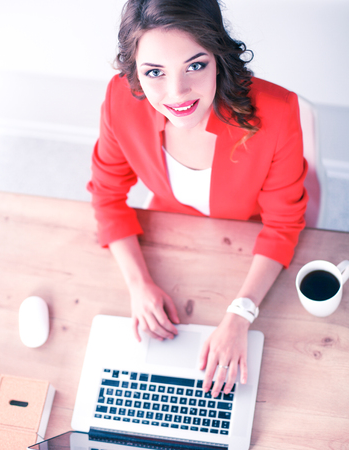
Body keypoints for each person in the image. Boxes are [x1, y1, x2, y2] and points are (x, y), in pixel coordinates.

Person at [87, 0, 308, 398]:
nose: (177, 94)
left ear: (218, 57)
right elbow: (107, 194)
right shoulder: (121, 100)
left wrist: (240, 315)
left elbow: (282, 225)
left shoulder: (276, 113)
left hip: (247, 234)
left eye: (195, 65)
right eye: (154, 72)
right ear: (133, 70)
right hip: (172, 228)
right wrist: (138, 285)